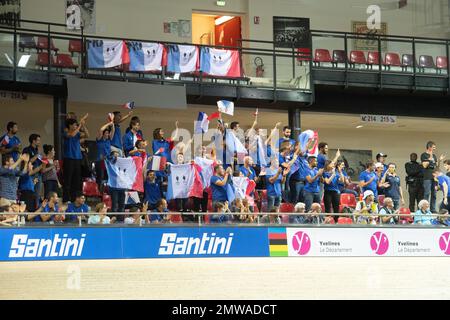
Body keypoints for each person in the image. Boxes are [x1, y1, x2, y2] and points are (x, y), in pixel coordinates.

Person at [63, 116, 89, 203]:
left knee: (76, 180)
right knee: (68, 180)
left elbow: (87, 135)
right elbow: (72, 134)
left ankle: (75, 199)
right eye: (74, 125)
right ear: (70, 126)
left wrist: (83, 125)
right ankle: (66, 199)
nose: (76, 126)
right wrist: (80, 125)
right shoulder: (66, 133)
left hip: (78, 159)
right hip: (69, 159)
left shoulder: (77, 134)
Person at [421, 141, 445, 213]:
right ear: (429, 147)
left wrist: (439, 160)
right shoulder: (424, 155)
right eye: (433, 147)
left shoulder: (434, 156)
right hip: (427, 177)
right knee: (427, 193)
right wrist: (430, 158)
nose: (434, 148)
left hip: (434, 177)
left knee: (434, 193)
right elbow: (424, 166)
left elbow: (437, 166)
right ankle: (425, 209)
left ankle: (433, 209)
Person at [22, 133, 42, 207]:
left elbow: (40, 161)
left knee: (37, 194)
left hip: (38, 174)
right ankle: (29, 210)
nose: (39, 142)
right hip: (30, 175)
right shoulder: (26, 149)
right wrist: (37, 155)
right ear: (33, 141)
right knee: (30, 193)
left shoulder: (37, 150)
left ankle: (36, 210)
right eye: (38, 140)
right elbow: (27, 161)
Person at [95, 120, 114, 192]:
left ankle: (107, 192)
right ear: (103, 134)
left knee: (109, 177)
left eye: (108, 133)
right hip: (100, 161)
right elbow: (101, 129)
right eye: (106, 133)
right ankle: (98, 191)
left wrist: (112, 124)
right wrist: (109, 123)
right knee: (100, 177)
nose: (108, 134)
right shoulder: (99, 140)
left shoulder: (109, 140)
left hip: (108, 161)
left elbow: (113, 131)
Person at [106, 150, 126, 221]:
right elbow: (107, 157)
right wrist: (113, 158)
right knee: (115, 204)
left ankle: (121, 220)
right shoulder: (110, 164)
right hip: (114, 187)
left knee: (122, 205)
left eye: (118, 155)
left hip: (122, 187)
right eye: (115, 155)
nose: (117, 157)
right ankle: (113, 219)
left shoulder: (122, 165)